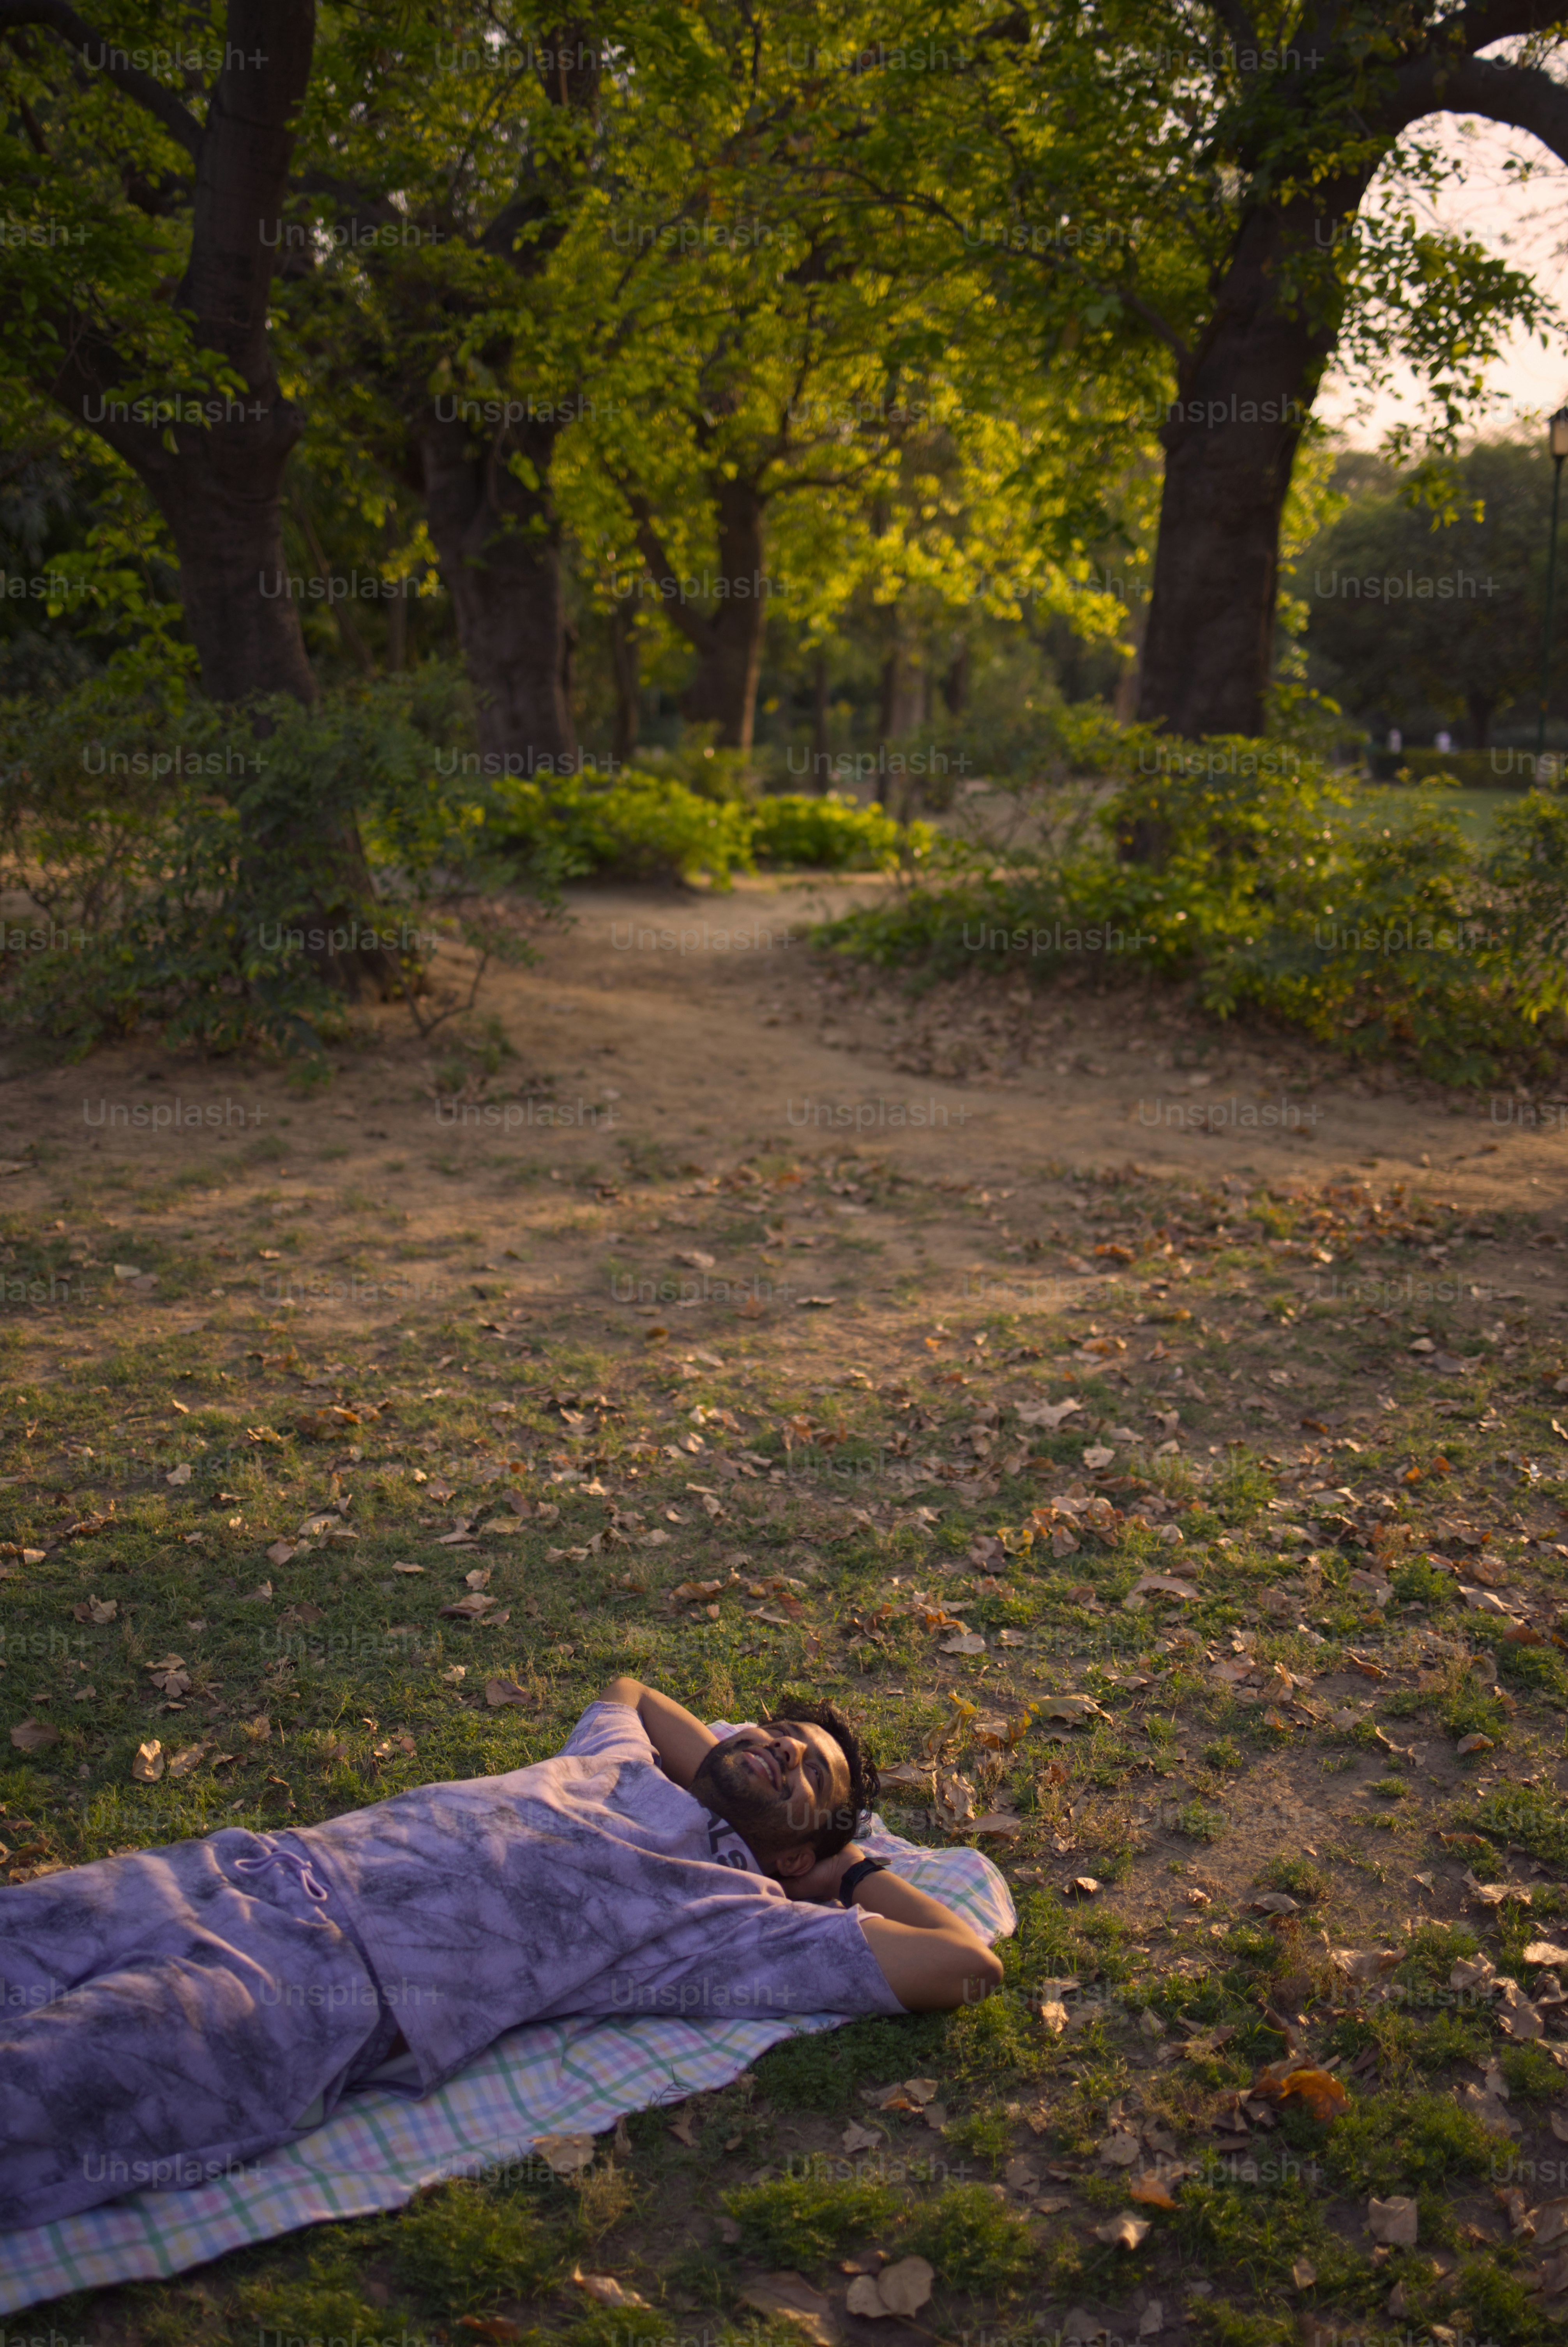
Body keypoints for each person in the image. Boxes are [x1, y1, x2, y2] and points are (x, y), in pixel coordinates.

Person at [0, 1677, 1003, 2229]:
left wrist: (846, 1870)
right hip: (237, 1869)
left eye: (804, 1769)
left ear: (798, 1845)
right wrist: (723, 1760)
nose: (780, 1745)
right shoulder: (615, 1752)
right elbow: (637, 1685)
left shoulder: (730, 1913)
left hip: (301, 1990)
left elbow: (960, 1965)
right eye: (777, 1729)